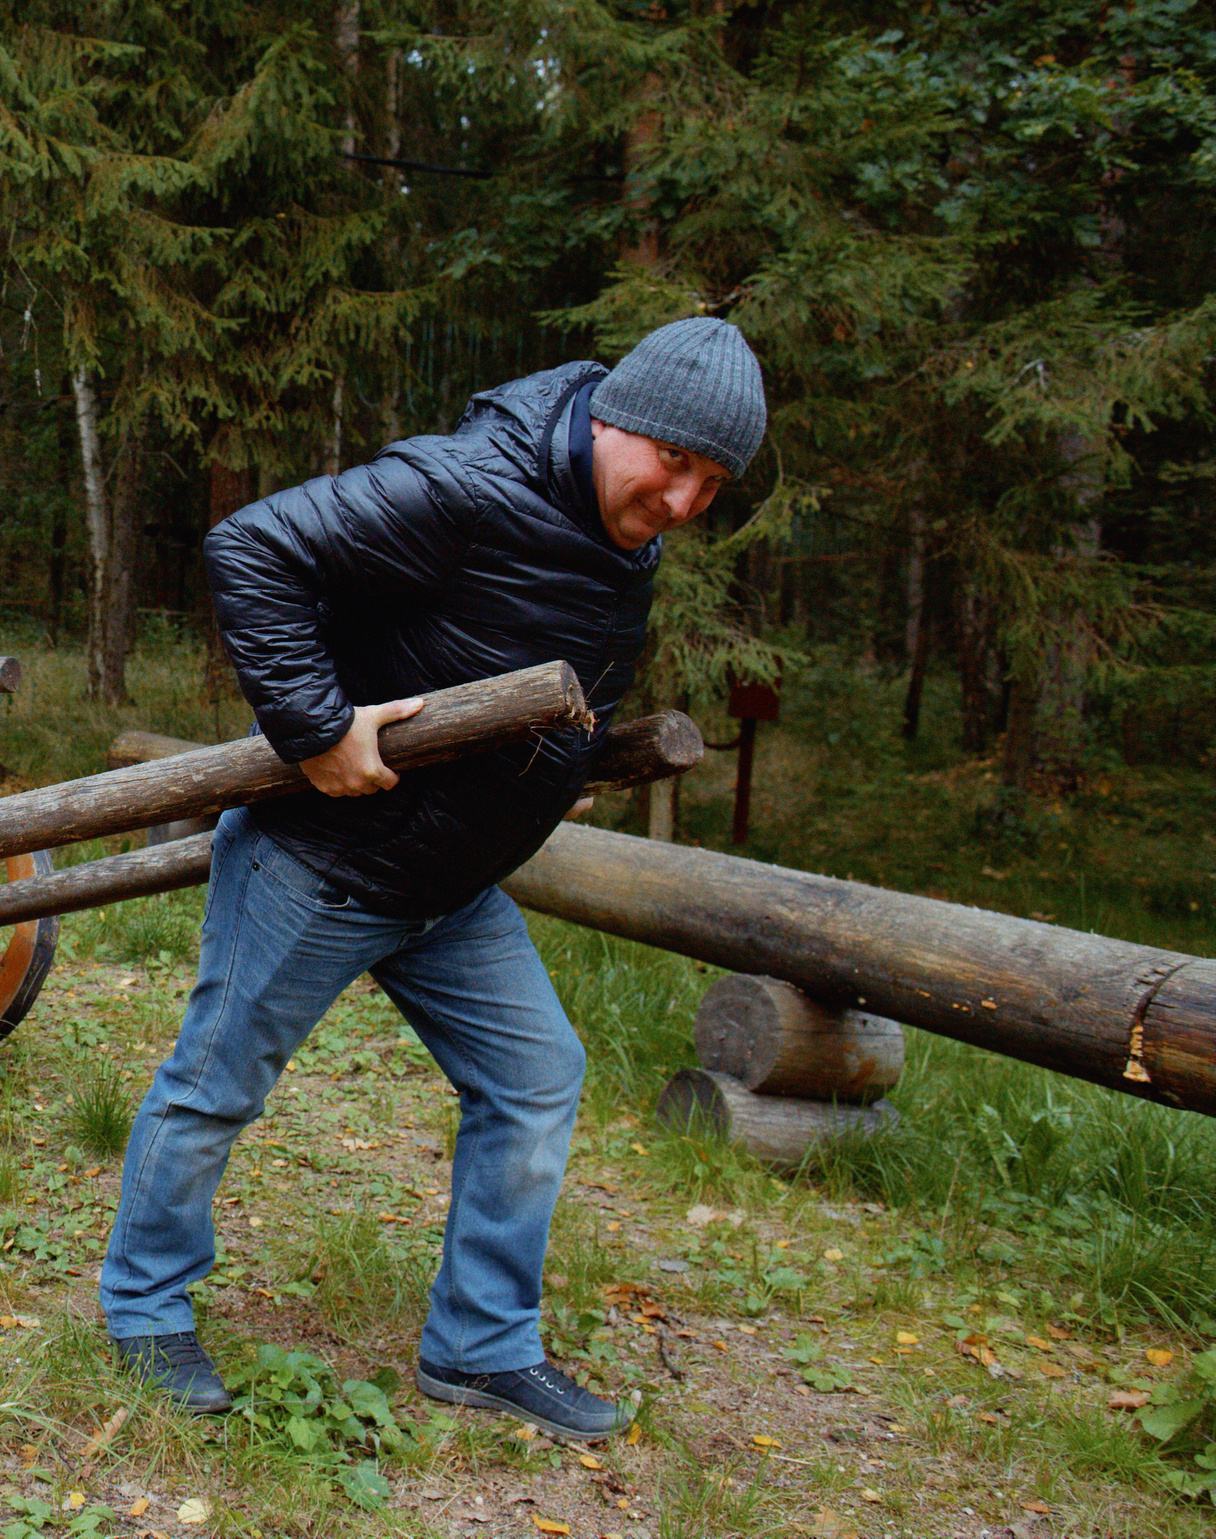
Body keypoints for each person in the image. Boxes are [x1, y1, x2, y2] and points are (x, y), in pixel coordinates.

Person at [100, 316, 766, 1442]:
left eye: (711, 482)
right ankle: (143, 1311)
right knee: (214, 1087)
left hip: (452, 887)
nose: (685, 502)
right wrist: (316, 730)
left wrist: (565, 765)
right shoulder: (463, 485)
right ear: (616, 421)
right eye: (675, 465)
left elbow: (516, 654)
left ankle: (480, 1349)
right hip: (322, 864)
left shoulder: (619, 527)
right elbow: (252, 549)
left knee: (538, 1075)